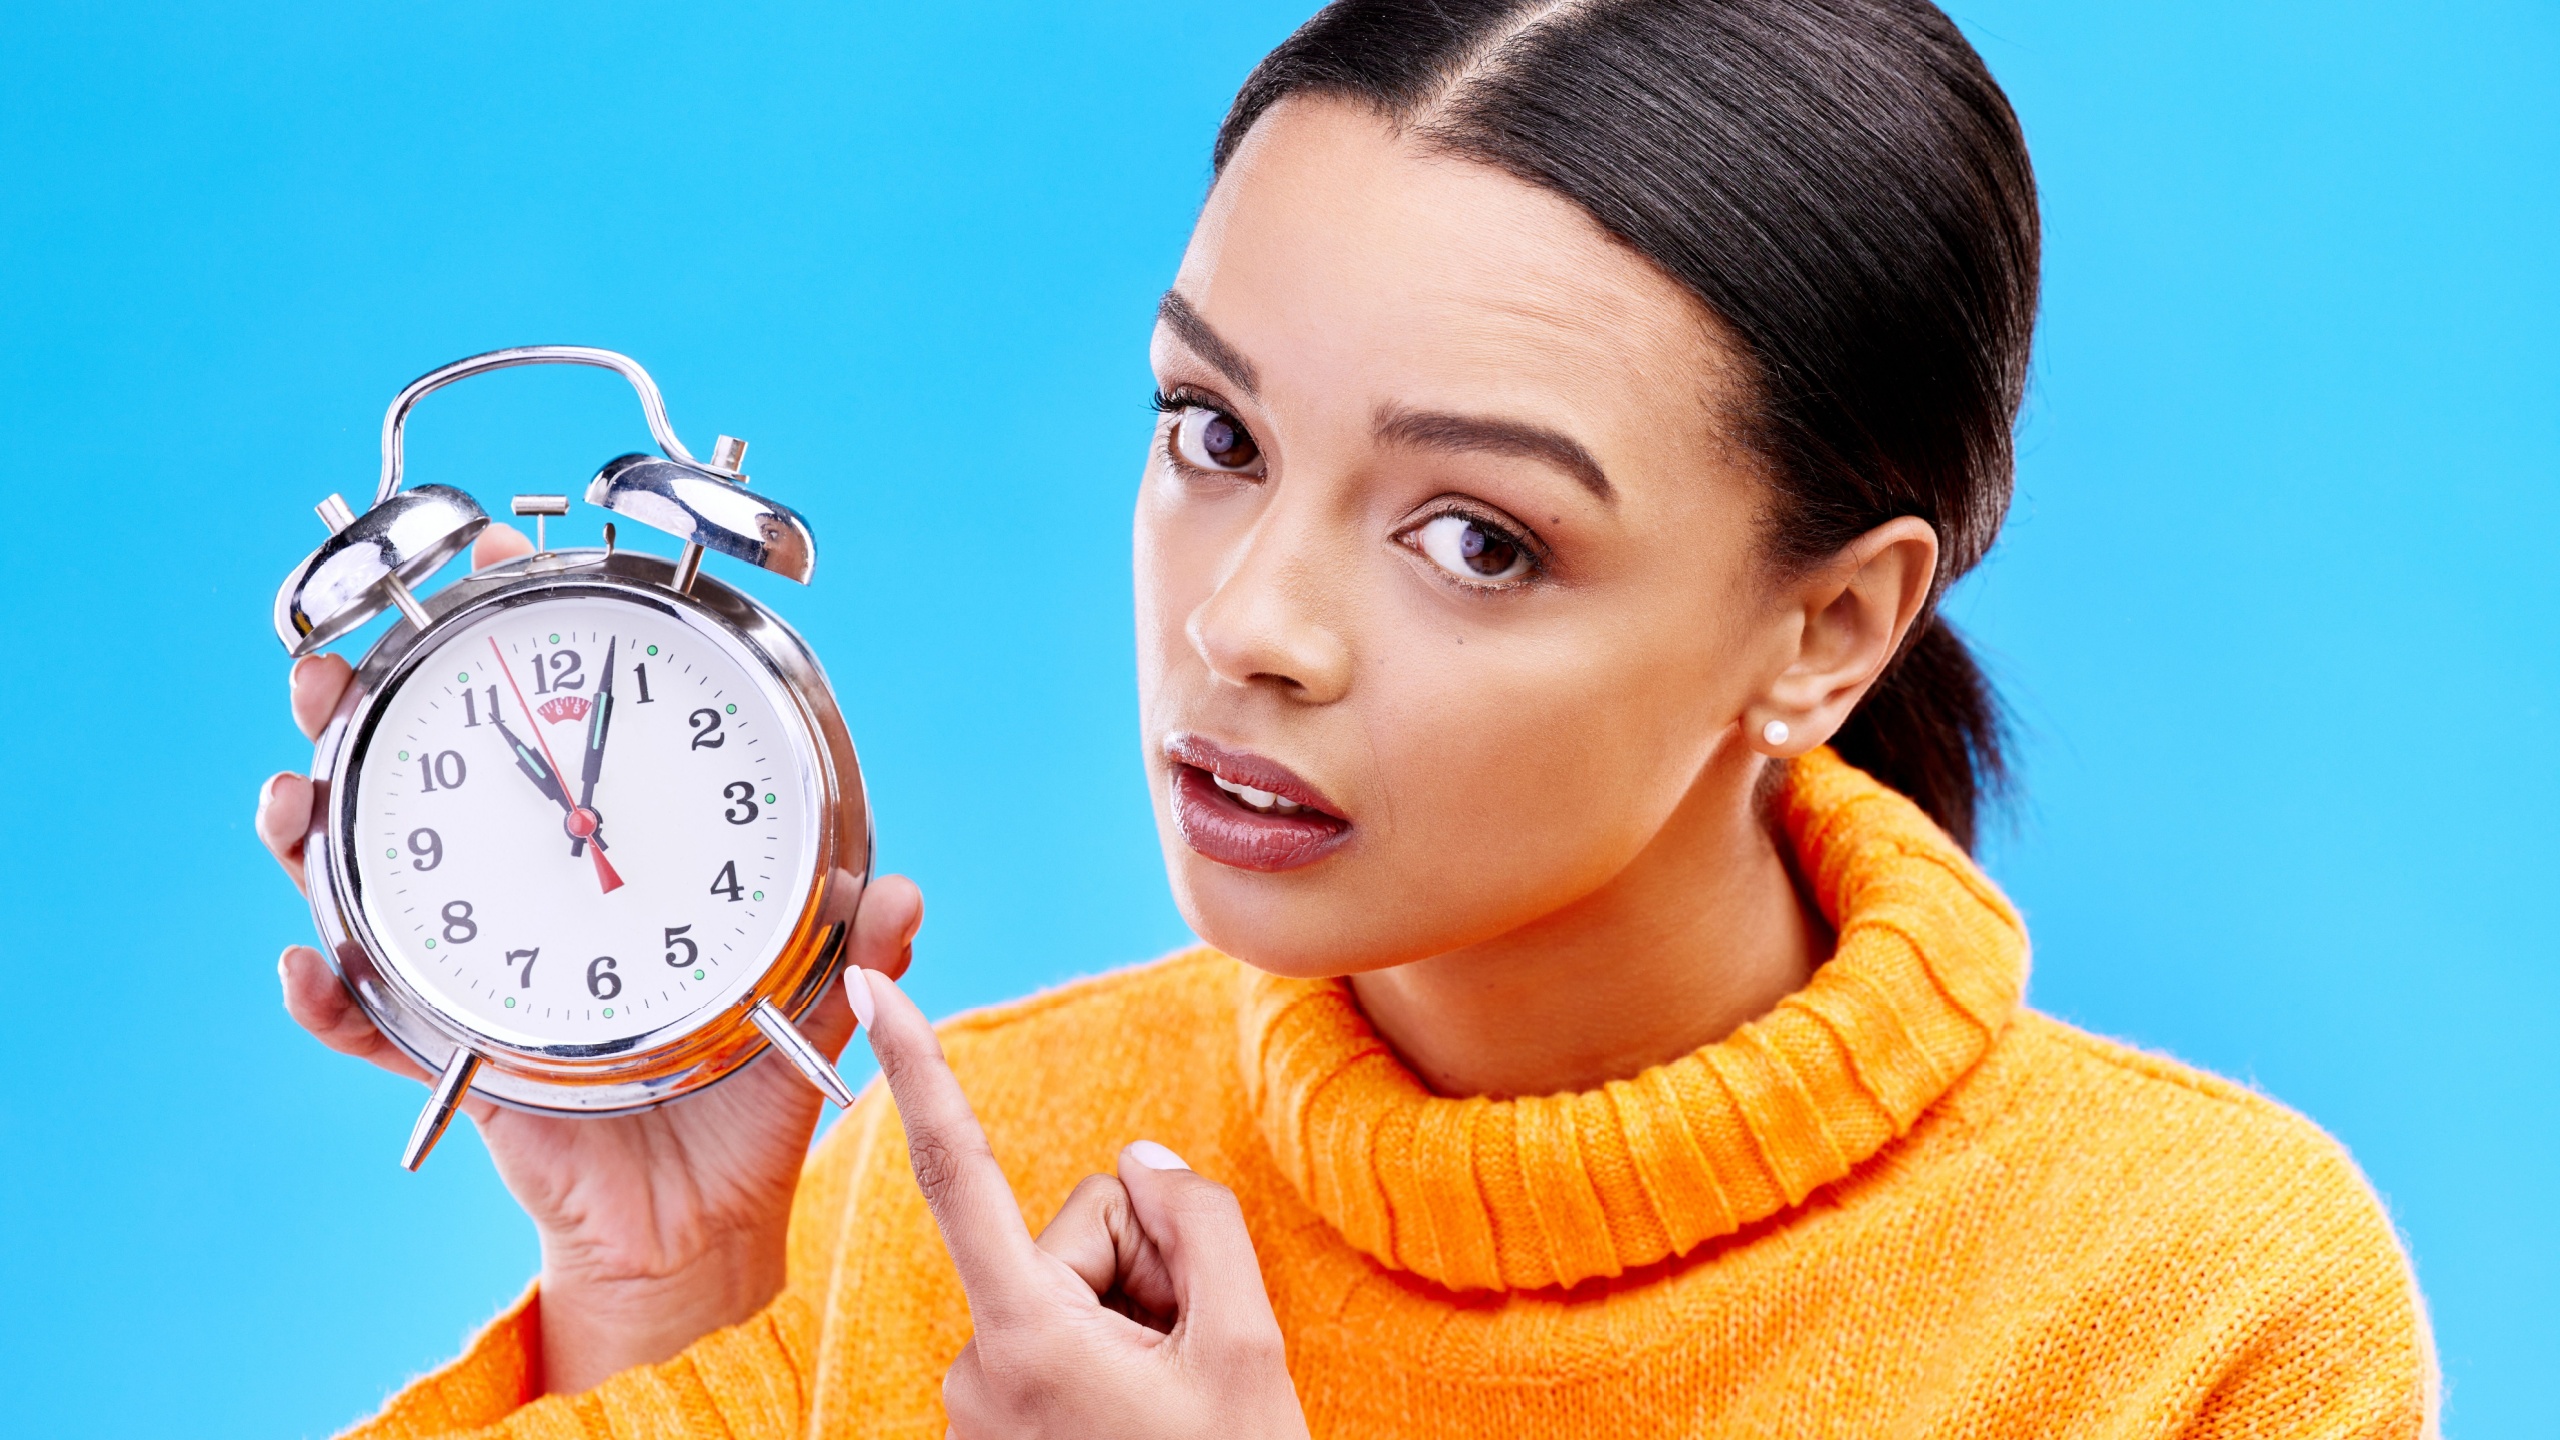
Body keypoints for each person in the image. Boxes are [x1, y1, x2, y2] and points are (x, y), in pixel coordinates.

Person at [255, 1, 2436, 1434]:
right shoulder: (974, 1173)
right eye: (1211, 432)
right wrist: (670, 1280)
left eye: (1477, 537)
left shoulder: (2194, 1306)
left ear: (1828, 631)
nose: (1251, 625)